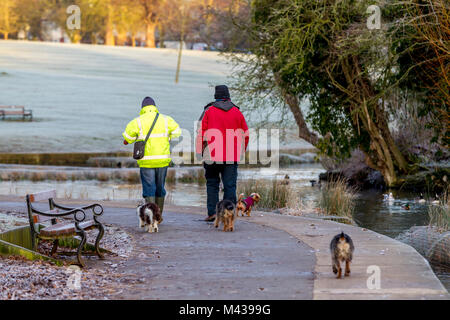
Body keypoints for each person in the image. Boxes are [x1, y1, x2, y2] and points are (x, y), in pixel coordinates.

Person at [196, 85, 249, 221]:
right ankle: (228, 213)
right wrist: (241, 151)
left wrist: (199, 151)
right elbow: (245, 134)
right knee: (229, 185)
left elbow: (201, 133)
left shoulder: (209, 111)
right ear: (228, 96)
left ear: (216, 96)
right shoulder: (237, 112)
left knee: (212, 183)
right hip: (232, 156)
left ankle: (213, 213)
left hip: (211, 155)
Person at [122, 97, 181, 218]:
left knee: (149, 189)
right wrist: (167, 137)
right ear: (155, 107)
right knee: (160, 188)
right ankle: (158, 216)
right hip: (162, 160)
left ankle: (151, 217)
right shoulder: (166, 119)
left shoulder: (137, 121)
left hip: (146, 161)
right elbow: (177, 132)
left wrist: (134, 139)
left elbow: (127, 138)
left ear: (142, 108)